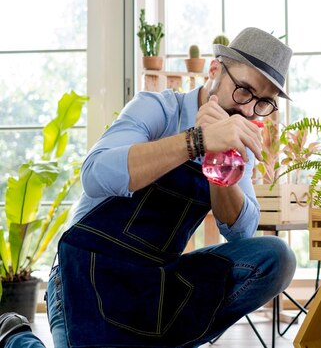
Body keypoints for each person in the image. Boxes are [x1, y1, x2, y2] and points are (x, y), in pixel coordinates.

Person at [0, 27, 297, 348]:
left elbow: (241, 233)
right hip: (85, 274)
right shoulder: (156, 109)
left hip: (156, 284)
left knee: (276, 258)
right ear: (214, 71)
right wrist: (196, 140)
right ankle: (16, 337)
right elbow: (95, 173)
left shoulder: (236, 138)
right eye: (244, 91)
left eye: (264, 102)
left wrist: (220, 161)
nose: (250, 110)